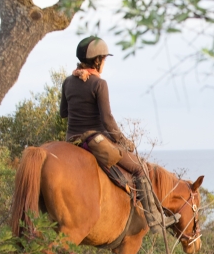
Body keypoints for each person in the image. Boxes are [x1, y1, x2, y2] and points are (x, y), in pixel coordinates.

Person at [59, 36, 175, 228]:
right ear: (97, 60)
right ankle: (154, 219)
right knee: (139, 168)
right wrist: (124, 141)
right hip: (95, 140)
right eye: (104, 58)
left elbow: (64, 113)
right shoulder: (99, 84)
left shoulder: (68, 82)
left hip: (71, 140)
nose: (104, 62)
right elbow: (107, 120)